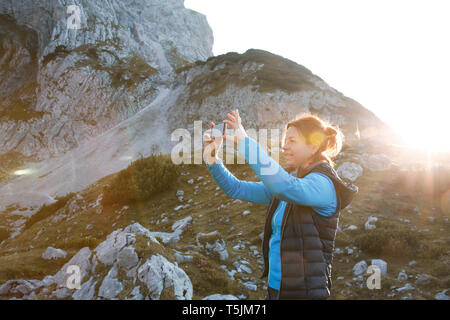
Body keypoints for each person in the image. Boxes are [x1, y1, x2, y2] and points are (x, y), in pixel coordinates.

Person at [203, 109, 359, 300]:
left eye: (292, 141)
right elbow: (236, 188)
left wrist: (244, 141)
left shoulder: (323, 184)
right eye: (285, 140)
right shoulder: (291, 180)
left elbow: (284, 187)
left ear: (313, 146)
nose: (284, 146)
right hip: (276, 289)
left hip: (304, 294)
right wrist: (212, 158)